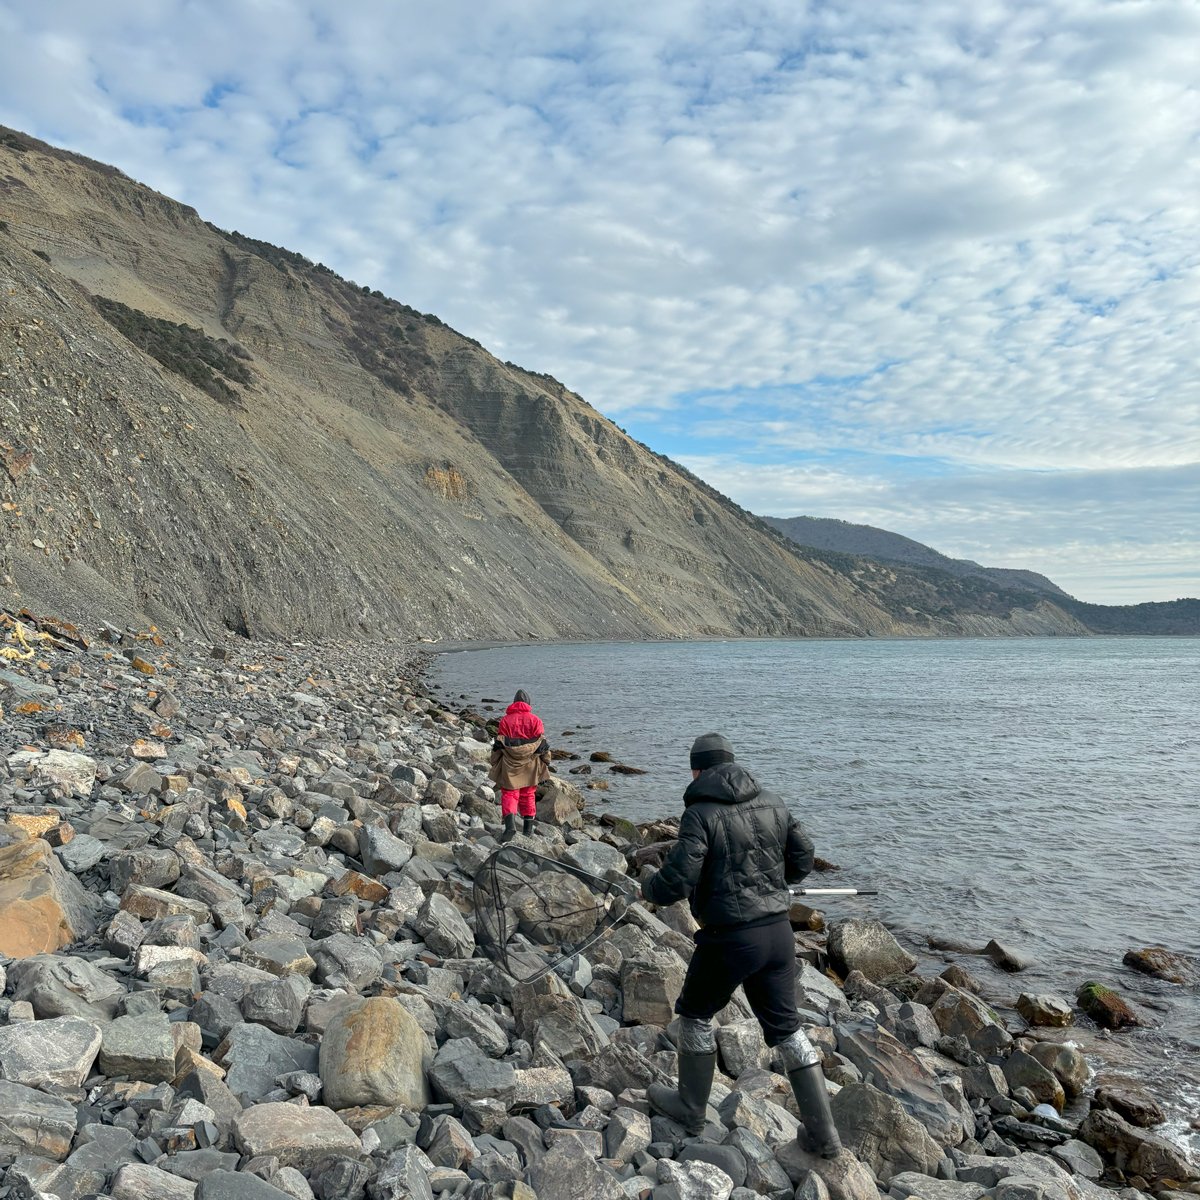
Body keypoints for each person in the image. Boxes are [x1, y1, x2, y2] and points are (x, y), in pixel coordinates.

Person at [640, 732, 841, 1157]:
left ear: (698, 770)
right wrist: (774, 884)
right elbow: (804, 858)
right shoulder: (773, 801)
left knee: (695, 1016)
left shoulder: (700, 813)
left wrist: (648, 888)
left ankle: (692, 1108)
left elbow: (677, 879)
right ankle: (825, 1137)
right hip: (779, 935)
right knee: (786, 1029)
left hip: (729, 939)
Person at [489, 689, 552, 841]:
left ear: (514, 703)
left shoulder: (505, 721)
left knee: (510, 794)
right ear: (528, 703)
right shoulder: (536, 720)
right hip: (531, 764)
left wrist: (494, 760)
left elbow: (499, 743)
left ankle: (510, 827)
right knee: (528, 795)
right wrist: (546, 760)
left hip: (510, 763)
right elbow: (542, 744)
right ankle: (527, 831)